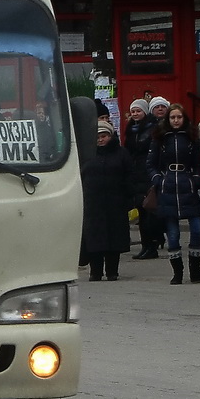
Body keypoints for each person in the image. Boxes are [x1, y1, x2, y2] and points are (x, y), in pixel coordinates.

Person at [147, 103, 200, 284]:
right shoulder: (160, 139)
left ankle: (195, 271)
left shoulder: (191, 138)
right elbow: (151, 164)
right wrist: (158, 180)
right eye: (172, 117)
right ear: (168, 120)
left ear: (184, 119)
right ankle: (177, 273)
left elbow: (198, 163)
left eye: (179, 117)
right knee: (173, 233)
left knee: (197, 229)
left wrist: (196, 179)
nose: (176, 121)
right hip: (167, 187)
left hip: (188, 186)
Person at [81, 120, 135, 281]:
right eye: (97, 137)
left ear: (110, 136)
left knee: (114, 239)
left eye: (104, 136)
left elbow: (129, 176)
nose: (100, 139)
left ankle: (112, 271)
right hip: (93, 203)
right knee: (94, 240)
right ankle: (95, 271)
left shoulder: (121, 153)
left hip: (116, 202)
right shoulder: (86, 154)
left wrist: (130, 197)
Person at [124, 98, 158, 258]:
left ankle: (152, 245)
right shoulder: (131, 129)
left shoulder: (153, 129)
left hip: (148, 173)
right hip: (135, 173)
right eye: (133, 111)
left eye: (138, 111)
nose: (136, 114)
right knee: (141, 213)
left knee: (149, 211)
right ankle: (145, 245)